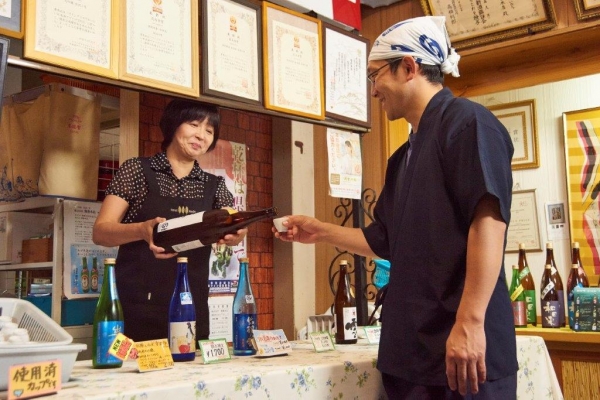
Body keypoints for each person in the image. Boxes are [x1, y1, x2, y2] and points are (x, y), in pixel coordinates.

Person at [275, 16, 517, 399]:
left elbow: (488, 220)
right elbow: (384, 239)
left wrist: (470, 322)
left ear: (409, 67)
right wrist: (319, 230)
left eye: (374, 76)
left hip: (463, 353)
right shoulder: (403, 156)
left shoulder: (469, 123)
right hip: (411, 355)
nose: (373, 91)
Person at [93, 99, 246, 342]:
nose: (201, 135)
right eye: (194, 124)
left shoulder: (214, 186)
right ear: (174, 125)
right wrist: (142, 230)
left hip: (191, 304)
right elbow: (101, 232)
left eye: (209, 130)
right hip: (138, 303)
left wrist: (235, 234)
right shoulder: (137, 171)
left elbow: (235, 227)